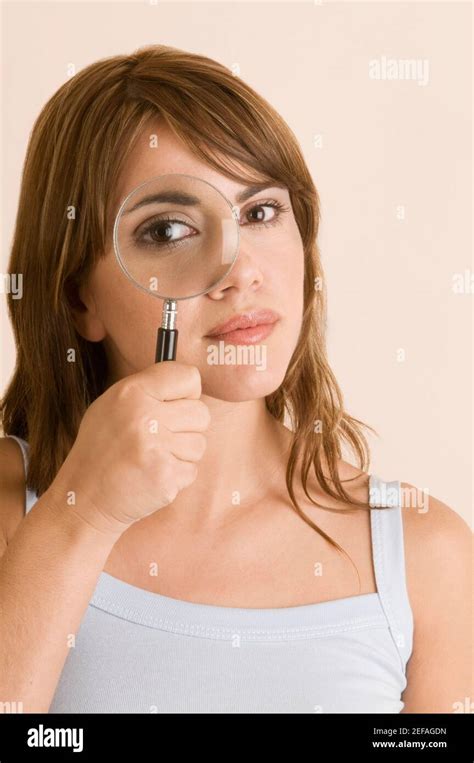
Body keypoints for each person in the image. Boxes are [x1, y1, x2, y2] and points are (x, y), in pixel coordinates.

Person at [0, 44, 470, 714]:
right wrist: (82, 515)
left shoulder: (425, 554)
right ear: (81, 298)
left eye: (259, 213)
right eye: (169, 228)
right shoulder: (15, 508)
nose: (240, 270)